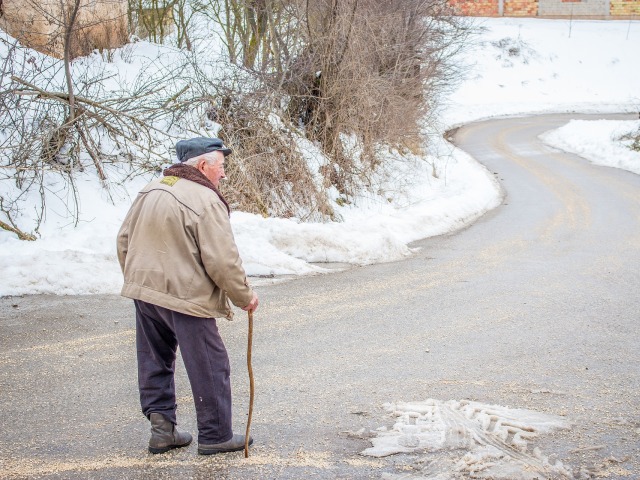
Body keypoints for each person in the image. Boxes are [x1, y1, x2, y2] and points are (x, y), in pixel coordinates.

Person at [117, 137, 259, 455]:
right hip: (184, 295)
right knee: (211, 364)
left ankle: (162, 431)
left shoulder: (152, 189)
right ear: (203, 165)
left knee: (155, 360)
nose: (223, 175)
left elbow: (123, 239)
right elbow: (223, 260)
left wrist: (137, 278)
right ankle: (216, 435)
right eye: (221, 167)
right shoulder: (205, 200)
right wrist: (243, 296)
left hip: (145, 290)